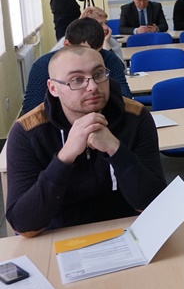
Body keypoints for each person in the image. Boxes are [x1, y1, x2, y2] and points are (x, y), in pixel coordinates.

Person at [6, 46, 166, 236]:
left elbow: (156, 203)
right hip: (60, 236)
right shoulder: (27, 131)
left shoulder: (136, 116)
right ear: (53, 88)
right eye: (77, 80)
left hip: (129, 230)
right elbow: (23, 223)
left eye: (98, 74)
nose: (93, 87)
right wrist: (65, 157)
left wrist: (115, 149)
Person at [21, 18, 132, 116]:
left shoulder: (109, 59)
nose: (89, 58)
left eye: (96, 52)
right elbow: (31, 111)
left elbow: (126, 98)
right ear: (67, 45)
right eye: (81, 51)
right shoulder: (43, 65)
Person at [52, 6, 123, 62]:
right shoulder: (69, 40)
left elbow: (120, 69)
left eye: (105, 23)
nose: (106, 27)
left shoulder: (111, 42)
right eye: (100, 24)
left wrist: (105, 43)